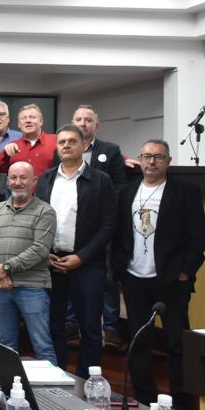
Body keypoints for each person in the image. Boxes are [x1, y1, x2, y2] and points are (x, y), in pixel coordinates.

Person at [113, 139, 205, 410]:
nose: (152, 161)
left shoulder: (185, 192)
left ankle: (182, 404)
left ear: (168, 161)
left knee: (176, 343)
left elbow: (200, 239)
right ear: (139, 160)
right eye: (146, 156)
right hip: (134, 278)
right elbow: (118, 234)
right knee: (139, 342)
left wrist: (184, 272)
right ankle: (145, 400)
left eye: (158, 157)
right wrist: (119, 271)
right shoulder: (126, 192)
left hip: (171, 280)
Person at [35, 124, 117, 378]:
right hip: (52, 263)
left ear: (83, 145)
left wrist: (82, 257)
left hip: (86, 263)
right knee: (54, 326)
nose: (66, 145)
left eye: (72, 141)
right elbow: (36, 219)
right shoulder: (46, 179)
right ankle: (58, 376)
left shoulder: (101, 180)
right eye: (62, 142)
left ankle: (85, 381)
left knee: (90, 328)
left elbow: (109, 225)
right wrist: (44, 253)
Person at [0, 161, 57, 364]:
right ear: (8, 181)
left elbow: (40, 250)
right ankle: (8, 385)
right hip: (1, 288)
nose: (17, 182)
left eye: (23, 178)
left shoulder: (45, 211)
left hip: (32, 287)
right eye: (13, 177)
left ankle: (53, 386)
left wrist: (5, 268)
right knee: (5, 345)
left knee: (42, 346)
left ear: (34, 181)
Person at [65, 104, 128, 349]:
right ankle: (71, 323)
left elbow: (120, 187)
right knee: (69, 275)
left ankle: (110, 328)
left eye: (88, 120)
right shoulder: (64, 150)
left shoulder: (110, 151)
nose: (83, 123)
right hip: (72, 225)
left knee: (107, 278)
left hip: (102, 226)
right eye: (78, 119)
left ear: (96, 125)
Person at [0, 103, 56, 178]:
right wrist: (5, 154)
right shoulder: (13, 147)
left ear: (41, 121)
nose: (28, 120)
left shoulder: (56, 141)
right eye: (24, 118)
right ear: (19, 124)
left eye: (32, 117)